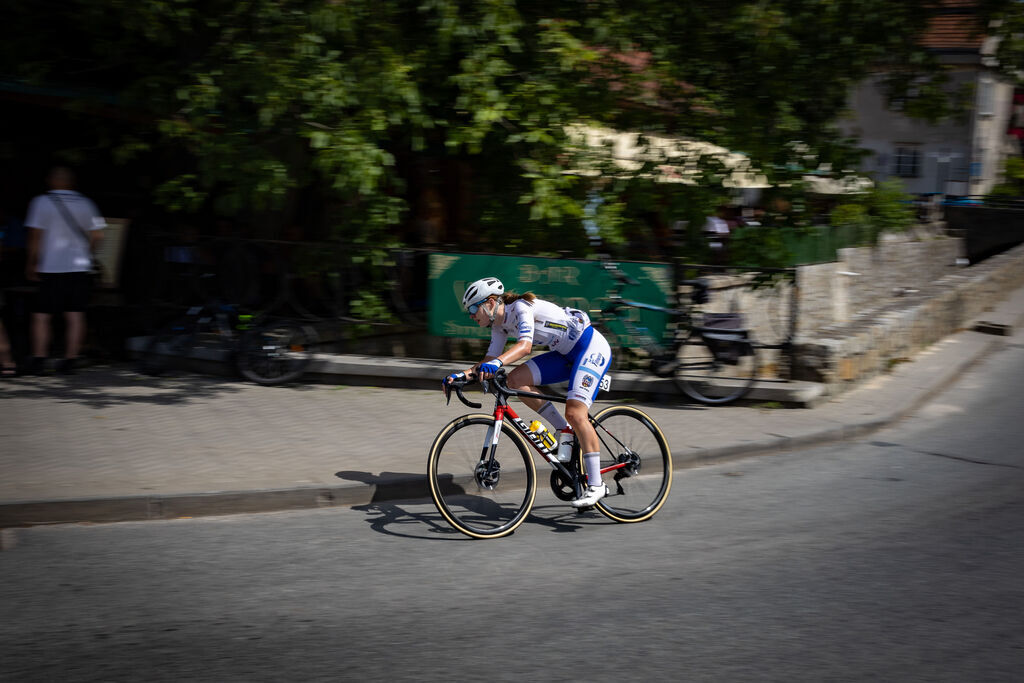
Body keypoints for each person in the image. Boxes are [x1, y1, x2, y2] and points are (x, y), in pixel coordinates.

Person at [443, 277, 613, 508]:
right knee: (515, 380)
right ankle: (563, 429)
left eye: (474, 308)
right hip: (563, 354)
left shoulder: (521, 307)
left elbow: (525, 346)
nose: (471, 315)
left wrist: (496, 364)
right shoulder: (498, 325)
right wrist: (461, 376)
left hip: (590, 347)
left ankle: (596, 484)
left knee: (576, 413)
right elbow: (490, 360)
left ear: (491, 302)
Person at [24, 166, 105, 374]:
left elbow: (35, 237)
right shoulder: (87, 203)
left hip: (51, 267)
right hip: (79, 267)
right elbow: (98, 236)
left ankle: (40, 358)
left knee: (42, 315)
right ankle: (70, 360)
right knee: (75, 314)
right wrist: (86, 253)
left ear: (53, 180)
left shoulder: (41, 202)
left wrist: (31, 263)